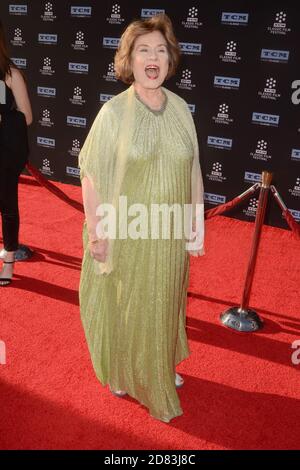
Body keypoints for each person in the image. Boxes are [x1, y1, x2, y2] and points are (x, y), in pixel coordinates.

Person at [79, 13, 205, 422]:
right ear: (129, 61)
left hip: (167, 232)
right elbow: (92, 175)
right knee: (129, 304)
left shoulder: (183, 109)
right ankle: (123, 368)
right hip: (127, 231)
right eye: (143, 50)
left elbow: (193, 171)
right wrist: (97, 234)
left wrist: (194, 226)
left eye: (160, 50)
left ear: (170, 61)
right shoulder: (114, 113)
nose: (152, 58)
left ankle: (159, 364)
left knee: (165, 301)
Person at [0, 19, 32, 286]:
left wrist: (2, 117)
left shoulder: (10, 73)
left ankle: (9, 259)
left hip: (4, 153)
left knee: (7, 206)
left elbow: (28, 117)